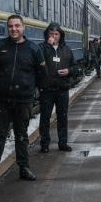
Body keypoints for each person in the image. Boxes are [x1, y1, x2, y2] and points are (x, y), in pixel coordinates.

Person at [0, 14, 45, 183]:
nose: (14, 29)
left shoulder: (33, 49)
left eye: (17, 26)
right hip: (1, 99)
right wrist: (2, 84)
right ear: (7, 28)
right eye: (10, 26)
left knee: (21, 135)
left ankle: (24, 167)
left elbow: (40, 74)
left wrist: (28, 88)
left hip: (23, 100)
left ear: (23, 27)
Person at [38, 22, 77, 154]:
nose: (53, 36)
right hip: (47, 89)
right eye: (51, 34)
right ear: (47, 35)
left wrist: (69, 71)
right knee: (45, 117)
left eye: (56, 34)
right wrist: (49, 46)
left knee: (63, 117)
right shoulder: (41, 48)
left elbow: (75, 67)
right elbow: (37, 63)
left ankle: (63, 143)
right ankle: (44, 143)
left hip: (62, 88)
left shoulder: (66, 50)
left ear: (60, 35)